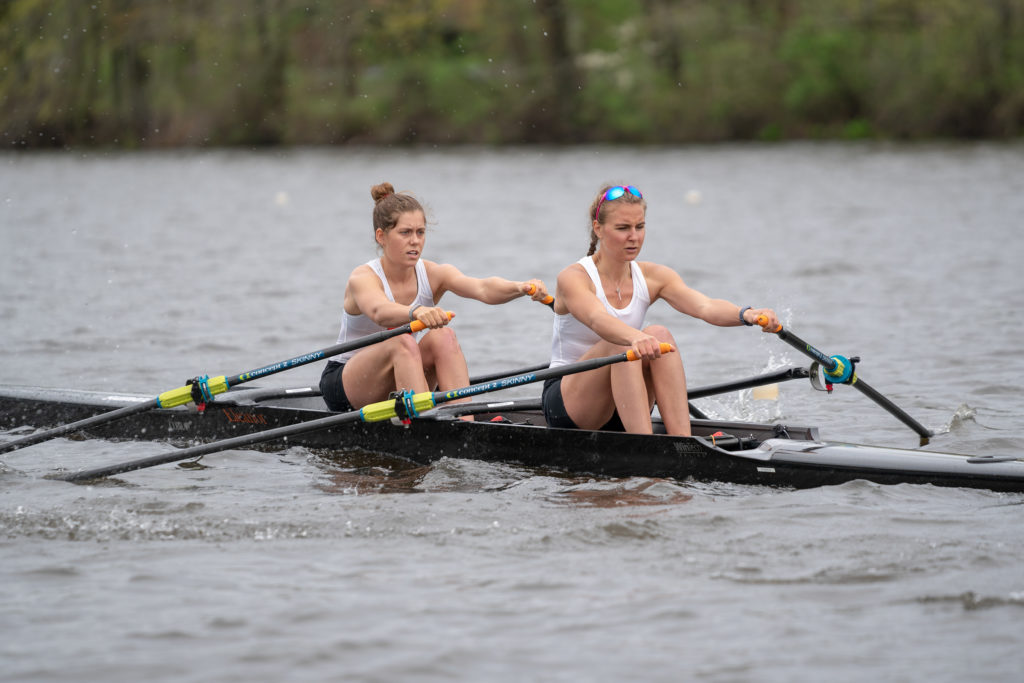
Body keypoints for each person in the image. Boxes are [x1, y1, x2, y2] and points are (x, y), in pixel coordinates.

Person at [543, 183, 779, 436]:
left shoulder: (654, 276)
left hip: (625, 397)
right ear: (598, 229)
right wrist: (636, 337)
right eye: (623, 228)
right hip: (569, 403)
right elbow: (596, 318)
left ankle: (681, 443)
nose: (634, 236)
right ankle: (646, 447)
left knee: (660, 334)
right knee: (624, 344)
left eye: (640, 227)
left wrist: (746, 314)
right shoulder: (574, 278)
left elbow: (705, 306)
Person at [320, 182, 550, 414]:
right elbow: (379, 311)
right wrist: (415, 311)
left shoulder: (433, 274)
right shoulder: (363, 278)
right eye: (405, 233)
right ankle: (425, 426)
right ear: (381, 236)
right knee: (402, 341)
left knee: (444, 336)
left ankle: (463, 424)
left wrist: (520, 287)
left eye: (420, 232)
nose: (415, 241)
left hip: (401, 373)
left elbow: (482, 288)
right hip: (346, 383)